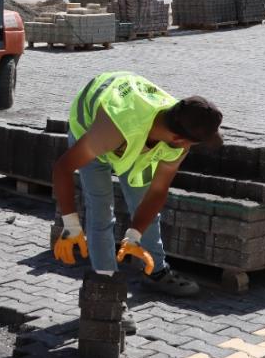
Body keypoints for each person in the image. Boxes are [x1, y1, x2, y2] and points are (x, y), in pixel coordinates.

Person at [51, 73, 222, 325]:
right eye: (194, 144)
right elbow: (62, 168)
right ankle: (108, 291)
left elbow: (158, 191)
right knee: (100, 211)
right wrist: (71, 225)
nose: (191, 148)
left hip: (139, 137)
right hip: (94, 125)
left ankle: (155, 270)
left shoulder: (178, 131)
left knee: (143, 200)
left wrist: (134, 236)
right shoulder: (113, 129)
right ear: (179, 138)